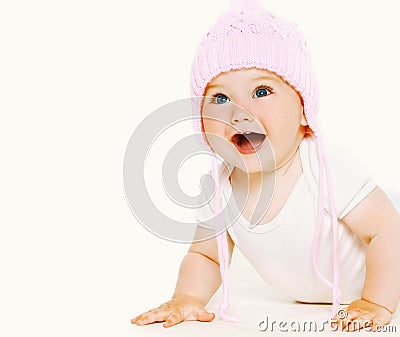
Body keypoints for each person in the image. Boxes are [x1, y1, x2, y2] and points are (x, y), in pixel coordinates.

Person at [131, 0, 400, 331]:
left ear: (303, 111)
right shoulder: (220, 189)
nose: (239, 111)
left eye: (261, 91)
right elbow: (207, 256)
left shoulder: (322, 165)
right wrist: (188, 297)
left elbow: (387, 229)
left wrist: (375, 301)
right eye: (220, 98)